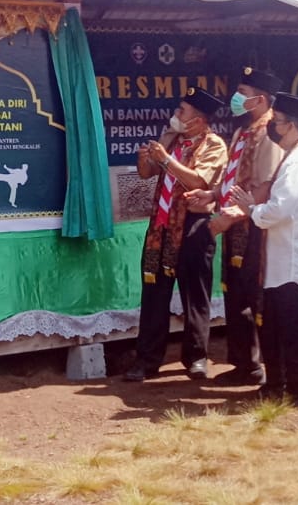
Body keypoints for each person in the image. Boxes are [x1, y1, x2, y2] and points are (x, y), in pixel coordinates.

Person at [218, 93, 298, 407]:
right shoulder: (295, 155)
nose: (274, 128)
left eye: (278, 123)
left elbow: (277, 211)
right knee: (285, 330)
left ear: (291, 125)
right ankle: (291, 387)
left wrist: (251, 208)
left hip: (297, 261)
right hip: (285, 260)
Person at [125, 87, 227, 382]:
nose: (176, 115)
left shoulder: (214, 144)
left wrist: (167, 160)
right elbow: (147, 173)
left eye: (182, 111)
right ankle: (146, 360)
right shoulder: (173, 140)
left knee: (195, 294)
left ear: (198, 120)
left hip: (193, 224)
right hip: (162, 225)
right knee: (154, 293)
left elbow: (198, 181)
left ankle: (196, 357)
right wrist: (149, 156)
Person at [212, 67, 284, 387]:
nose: (236, 98)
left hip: (254, 225)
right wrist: (212, 195)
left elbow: (265, 186)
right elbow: (233, 177)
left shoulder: (270, 132)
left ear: (261, 99)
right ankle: (244, 365)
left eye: (243, 92)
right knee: (235, 294)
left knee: (255, 297)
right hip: (234, 223)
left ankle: (269, 368)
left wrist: (234, 214)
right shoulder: (243, 131)